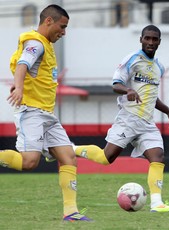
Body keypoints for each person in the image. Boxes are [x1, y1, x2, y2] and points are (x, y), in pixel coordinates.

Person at [73, 25, 169, 212]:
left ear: (159, 42)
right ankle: (71, 149)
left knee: (158, 157)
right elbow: (116, 84)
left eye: (154, 39)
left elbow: (150, 96)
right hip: (128, 119)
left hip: (147, 123)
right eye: (147, 38)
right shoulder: (132, 60)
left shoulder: (159, 67)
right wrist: (128, 90)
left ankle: (157, 203)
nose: (150, 42)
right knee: (105, 158)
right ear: (141, 39)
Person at [0, 4, 92, 222]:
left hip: (47, 116)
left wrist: (22, 84)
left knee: (68, 158)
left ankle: (71, 212)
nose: (64, 32)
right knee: (29, 162)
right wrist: (19, 87)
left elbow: (30, 70)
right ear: (48, 21)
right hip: (32, 112)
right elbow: (23, 63)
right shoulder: (36, 43)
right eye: (62, 26)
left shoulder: (46, 45)